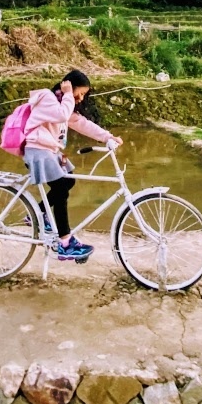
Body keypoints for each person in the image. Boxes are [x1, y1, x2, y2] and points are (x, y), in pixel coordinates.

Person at [22, 69, 122, 261]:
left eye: (84, 95)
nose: (81, 98)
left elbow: (82, 123)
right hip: (37, 150)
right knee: (60, 188)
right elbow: (61, 116)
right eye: (80, 93)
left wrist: (108, 137)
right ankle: (66, 243)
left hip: (48, 150)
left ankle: (37, 213)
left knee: (68, 181)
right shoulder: (47, 98)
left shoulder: (63, 104)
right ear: (68, 86)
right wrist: (68, 94)